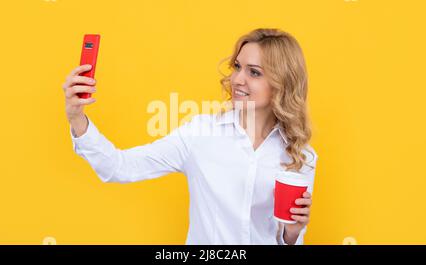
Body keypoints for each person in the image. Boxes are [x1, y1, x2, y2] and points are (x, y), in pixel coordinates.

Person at [62, 28, 318, 245]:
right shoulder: (199, 134)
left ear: (282, 84)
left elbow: (288, 237)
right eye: (237, 67)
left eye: (254, 72)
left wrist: (293, 233)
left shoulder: (300, 155)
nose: (237, 79)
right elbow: (119, 167)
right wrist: (77, 118)